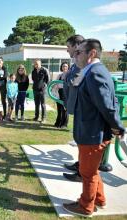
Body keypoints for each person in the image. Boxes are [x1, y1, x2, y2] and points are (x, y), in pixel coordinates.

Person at [62, 39, 125, 217]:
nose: (75, 54)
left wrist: (118, 128)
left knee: (87, 172)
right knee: (92, 170)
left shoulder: (95, 73)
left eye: (79, 52)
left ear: (92, 54)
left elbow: (107, 106)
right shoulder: (91, 71)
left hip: (93, 133)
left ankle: (85, 207)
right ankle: (99, 199)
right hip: (91, 131)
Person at [62, 35, 85, 182]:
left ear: (76, 46)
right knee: (79, 139)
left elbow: (76, 79)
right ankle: (80, 165)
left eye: (68, 46)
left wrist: (66, 78)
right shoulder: (76, 62)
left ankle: (82, 171)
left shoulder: (81, 63)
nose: (67, 49)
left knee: (82, 140)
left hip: (81, 107)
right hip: (75, 106)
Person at [54, 62, 69, 128]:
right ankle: (58, 123)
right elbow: (55, 84)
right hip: (59, 93)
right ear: (61, 67)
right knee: (59, 109)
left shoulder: (69, 75)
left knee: (65, 109)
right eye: (63, 66)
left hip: (66, 93)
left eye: (66, 66)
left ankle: (64, 124)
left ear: (68, 67)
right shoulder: (59, 75)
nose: (64, 67)